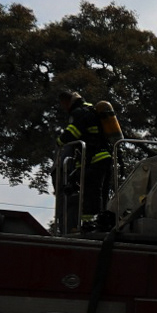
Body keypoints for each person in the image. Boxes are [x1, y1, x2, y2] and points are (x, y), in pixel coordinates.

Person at [55, 90, 122, 232]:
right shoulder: (92, 111)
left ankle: (88, 224)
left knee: (90, 194)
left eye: (63, 105)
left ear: (66, 102)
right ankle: (101, 222)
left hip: (94, 159)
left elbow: (70, 134)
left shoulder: (79, 113)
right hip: (105, 158)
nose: (64, 108)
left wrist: (59, 141)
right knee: (100, 193)